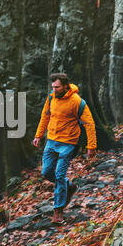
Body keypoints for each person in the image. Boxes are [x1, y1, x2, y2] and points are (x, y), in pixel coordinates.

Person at [33, 73, 97, 223]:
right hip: (51, 141)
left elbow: (89, 124)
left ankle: (58, 211)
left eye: (57, 86)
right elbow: (45, 116)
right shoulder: (51, 97)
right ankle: (70, 186)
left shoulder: (77, 102)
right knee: (46, 172)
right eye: (53, 87)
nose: (54, 89)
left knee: (60, 175)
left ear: (65, 85)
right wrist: (38, 135)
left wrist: (91, 146)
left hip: (68, 143)